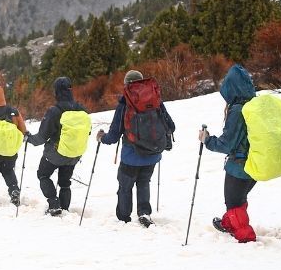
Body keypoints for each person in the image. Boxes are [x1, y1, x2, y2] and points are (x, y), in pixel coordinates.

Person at [97, 69, 176, 227]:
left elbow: (113, 136)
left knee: (125, 186)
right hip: (153, 154)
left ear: (127, 85)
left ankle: (124, 218)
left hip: (131, 156)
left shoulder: (125, 103)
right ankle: (144, 213)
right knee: (144, 182)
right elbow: (171, 126)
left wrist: (101, 138)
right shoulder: (155, 100)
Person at [198, 63, 258, 243]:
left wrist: (207, 140)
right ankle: (229, 223)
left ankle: (245, 237)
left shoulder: (238, 110)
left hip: (239, 165)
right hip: (254, 162)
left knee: (233, 203)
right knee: (238, 199)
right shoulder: (253, 104)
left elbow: (227, 144)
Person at [26, 76, 90, 216]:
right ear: (70, 90)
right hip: (75, 153)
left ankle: (54, 204)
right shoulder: (81, 109)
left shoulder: (54, 111)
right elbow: (88, 131)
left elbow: (42, 137)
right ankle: (65, 208)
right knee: (65, 182)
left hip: (56, 153)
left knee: (43, 175)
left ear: (56, 92)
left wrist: (29, 139)